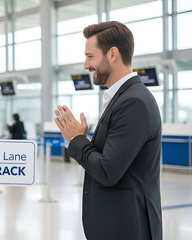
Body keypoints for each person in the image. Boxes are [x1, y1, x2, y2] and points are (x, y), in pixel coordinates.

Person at [53, 21, 162, 240]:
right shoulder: (123, 98)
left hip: (126, 229)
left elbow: (107, 171)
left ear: (112, 54)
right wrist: (82, 140)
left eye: (90, 56)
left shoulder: (133, 103)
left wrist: (76, 140)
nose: (86, 65)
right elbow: (113, 160)